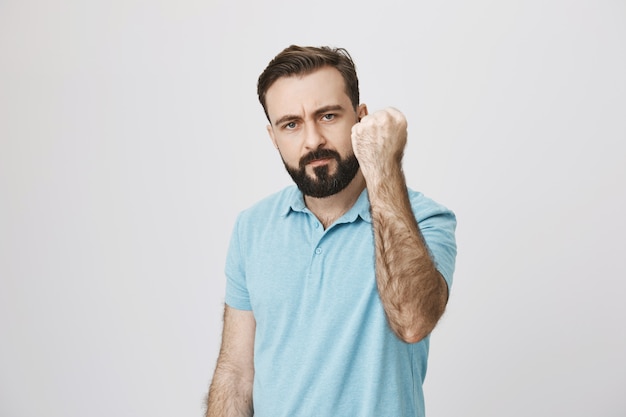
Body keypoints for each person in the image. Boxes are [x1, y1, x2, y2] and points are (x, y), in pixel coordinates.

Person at [205, 45, 457, 417]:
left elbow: (413, 321)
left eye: (327, 116)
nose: (312, 141)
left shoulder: (422, 217)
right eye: (291, 124)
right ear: (273, 136)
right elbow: (236, 374)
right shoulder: (252, 227)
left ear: (360, 119)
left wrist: (383, 165)